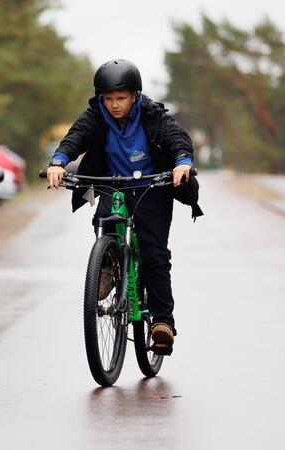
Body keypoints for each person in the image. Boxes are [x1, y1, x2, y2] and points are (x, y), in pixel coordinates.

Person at [46, 59, 202, 355]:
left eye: (121, 98)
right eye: (109, 99)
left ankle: (162, 322)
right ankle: (107, 264)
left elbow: (175, 138)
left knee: (154, 254)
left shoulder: (152, 114)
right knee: (104, 220)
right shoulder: (97, 116)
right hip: (113, 185)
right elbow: (75, 137)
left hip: (151, 188)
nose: (115, 105)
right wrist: (58, 161)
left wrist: (182, 162)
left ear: (135, 96)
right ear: (100, 98)